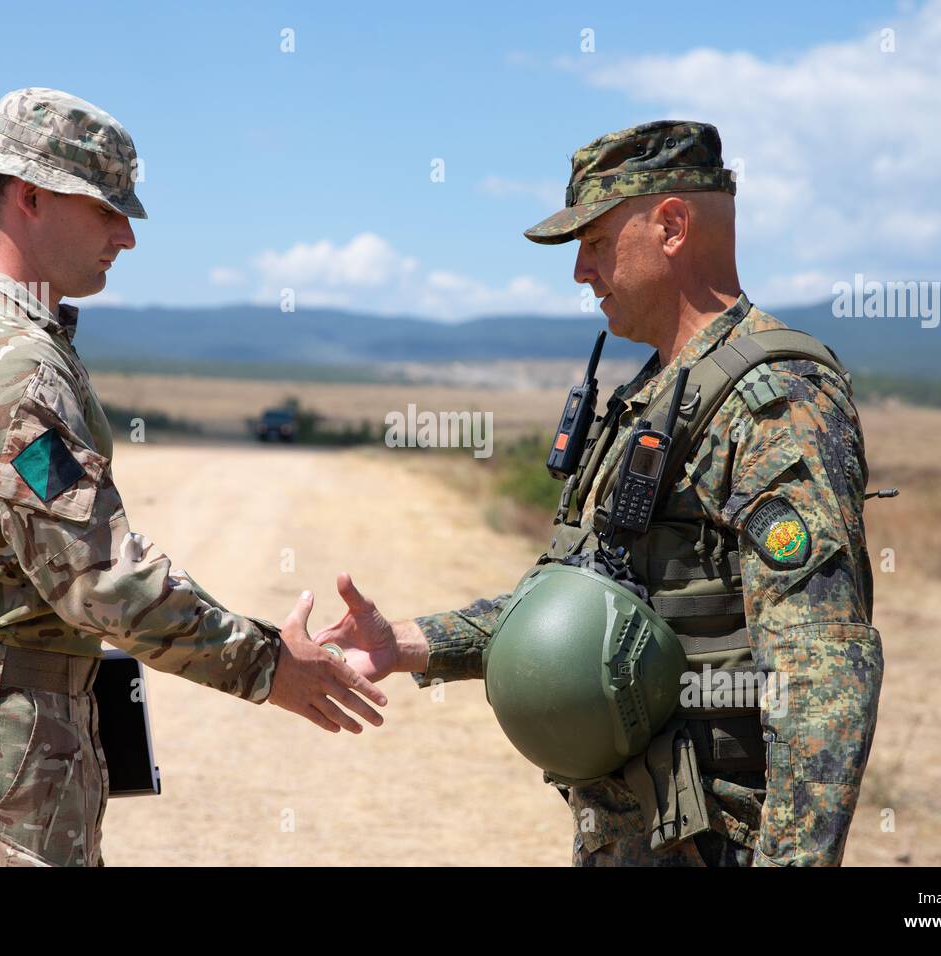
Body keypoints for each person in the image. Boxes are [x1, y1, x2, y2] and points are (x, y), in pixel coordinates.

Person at [315, 120, 884, 867]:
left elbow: (822, 673)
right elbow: (587, 606)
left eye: (595, 242)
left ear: (673, 226)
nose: (582, 273)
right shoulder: (657, 394)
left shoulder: (772, 403)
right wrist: (412, 645)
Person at [0, 87, 386, 868]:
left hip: (10, 732)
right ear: (31, 196)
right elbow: (99, 576)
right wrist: (266, 663)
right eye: (108, 210)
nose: (127, 237)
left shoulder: (4, 340)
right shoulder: (4, 358)